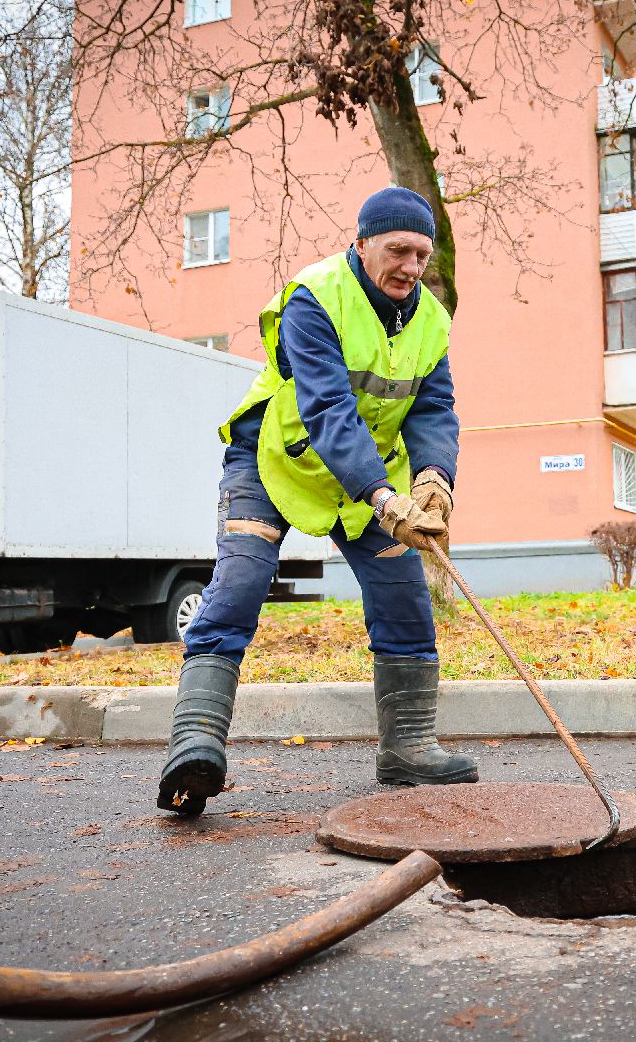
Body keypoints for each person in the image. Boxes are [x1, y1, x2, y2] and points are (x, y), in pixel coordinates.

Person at [157, 187, 476, 816]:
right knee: (242, 581)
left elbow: (433, 407)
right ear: (361, 244)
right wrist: (384, 496)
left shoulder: (432, 319)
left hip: (361, 476)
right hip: (277, 456)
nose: (410, 267)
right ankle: (195, 743)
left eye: (421, 254)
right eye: (397, 251)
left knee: (404, 595)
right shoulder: (314, 296)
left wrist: (435, 479)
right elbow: (328, 408)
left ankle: (407, 749)